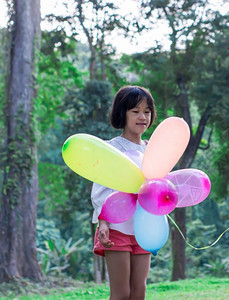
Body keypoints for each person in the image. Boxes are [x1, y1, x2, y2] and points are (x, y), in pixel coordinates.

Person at [91, 85, 157, 300]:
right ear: (122, 113)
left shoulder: (153, 150)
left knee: (139, 291)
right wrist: (102, 222)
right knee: (121, 292)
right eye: (135, 111)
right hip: (116, 228)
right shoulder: (112, 148)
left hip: (144, 229)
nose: (142, 117)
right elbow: (100, 188)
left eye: (146, 111)